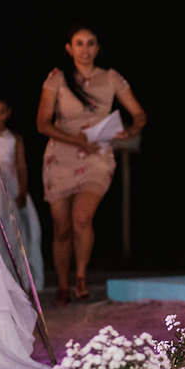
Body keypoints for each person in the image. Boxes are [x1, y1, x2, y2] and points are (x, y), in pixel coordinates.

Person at [38, 25, 146, 305]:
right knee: (62, 228)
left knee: (82, 217)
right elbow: (42, 123)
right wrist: (75, 140)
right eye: (79, 43)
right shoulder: (57, 78)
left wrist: (130, 131)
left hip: (97, 155)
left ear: (98, 48)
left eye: (91, 43)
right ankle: (63, 284)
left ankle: (81, 275)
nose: (85, 49)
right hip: (61, 157)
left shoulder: (111, 78)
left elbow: (139, 114)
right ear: (69, 48)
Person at [0, 97, 44, 290]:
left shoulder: (14, 138)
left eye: (2, 111)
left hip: (9, 186)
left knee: (16, 230)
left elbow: (21, 166)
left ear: (8, 113)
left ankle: (18, 278)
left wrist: (22, 190)